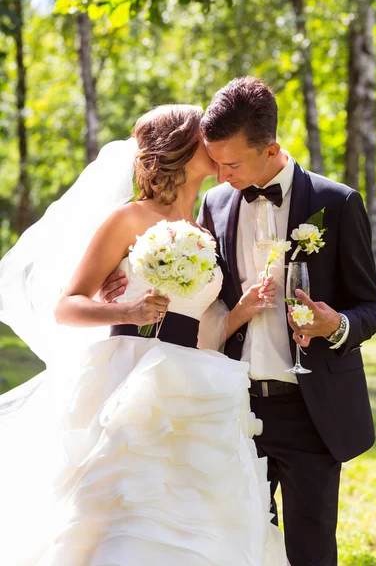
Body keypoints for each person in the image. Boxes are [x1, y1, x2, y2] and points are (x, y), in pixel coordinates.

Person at [103, 78, 376, 566]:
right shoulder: (214, 206)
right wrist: (123, 269)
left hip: (310, 412)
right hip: (233, 407)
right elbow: (196, 288)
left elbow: (372, 306)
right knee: (242, 547)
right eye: (214, 162)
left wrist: (335, 324)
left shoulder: (336, 204)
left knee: (310, 549)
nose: (220, 175)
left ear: (271, 148)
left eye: (230, 164)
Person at [0, 104, 288, 565]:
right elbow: (66, 306)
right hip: (130, 386)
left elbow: (202, 329)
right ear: (179, 148)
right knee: (128, 519)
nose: (215, 145)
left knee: (197, 523)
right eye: (204, 137)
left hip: (196, 390)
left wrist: (239, 311)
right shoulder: (129, 220)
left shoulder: (205, 227)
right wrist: (129, 310)